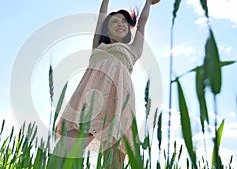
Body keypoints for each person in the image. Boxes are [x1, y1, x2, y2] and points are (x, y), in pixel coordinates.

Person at [51, 0, 160, 168]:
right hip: (91, 98)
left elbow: (142, 22)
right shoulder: (98, 46)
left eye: (124, 21)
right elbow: (101, 18)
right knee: (64, 153)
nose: (120, 23)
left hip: (119, 102)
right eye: (114, 21)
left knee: (114, 161)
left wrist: (148, 2)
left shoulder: (133, 50)